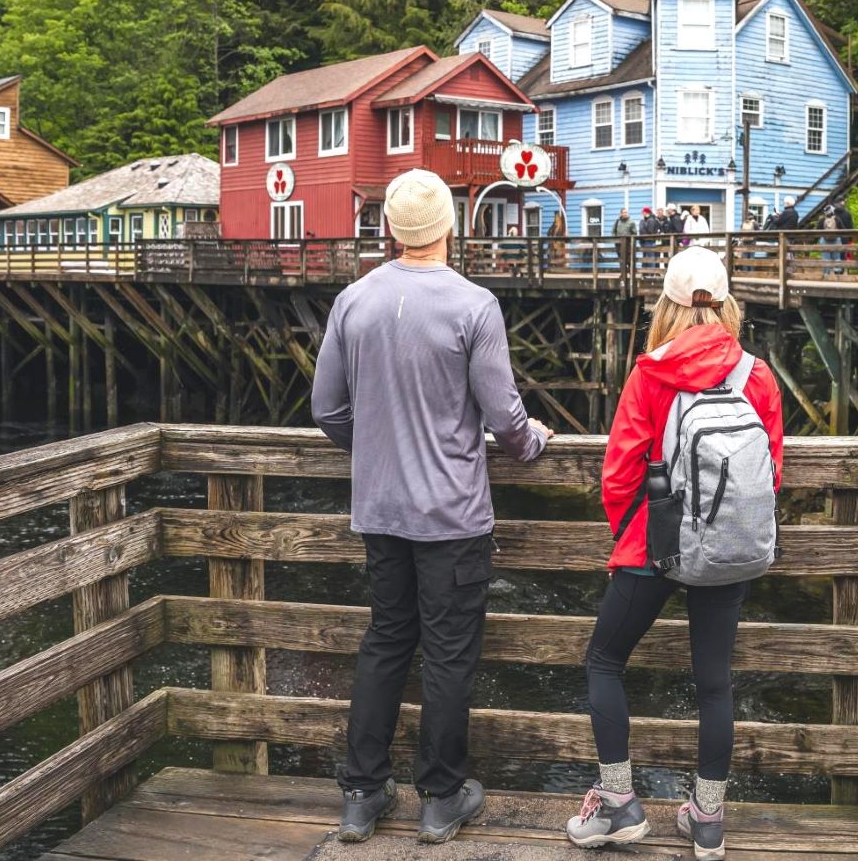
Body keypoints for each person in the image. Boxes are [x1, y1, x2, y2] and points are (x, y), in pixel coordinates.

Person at [313, 169, 552, 846]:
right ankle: (441, 797)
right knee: (448, 655)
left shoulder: (353, 301)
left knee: (386, 641)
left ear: (390, 229)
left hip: (380, 507)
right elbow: (506, 419)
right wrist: (532, 443)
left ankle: (361, 794)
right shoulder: (473, 305)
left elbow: (327, 409)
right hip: (451, 513)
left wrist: (375, 448)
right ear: (451, 226)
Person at [564, 246, 783, 857]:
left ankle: (618, 805)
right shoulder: (755, 375)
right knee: (714, 685)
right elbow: (771, 469)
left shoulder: (651, 371)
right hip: (728, 546)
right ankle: (707, 820)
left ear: (667, 305)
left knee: (604, 661)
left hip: (652, 547)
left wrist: (635, 535)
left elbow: (619, 472)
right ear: (727, 304)